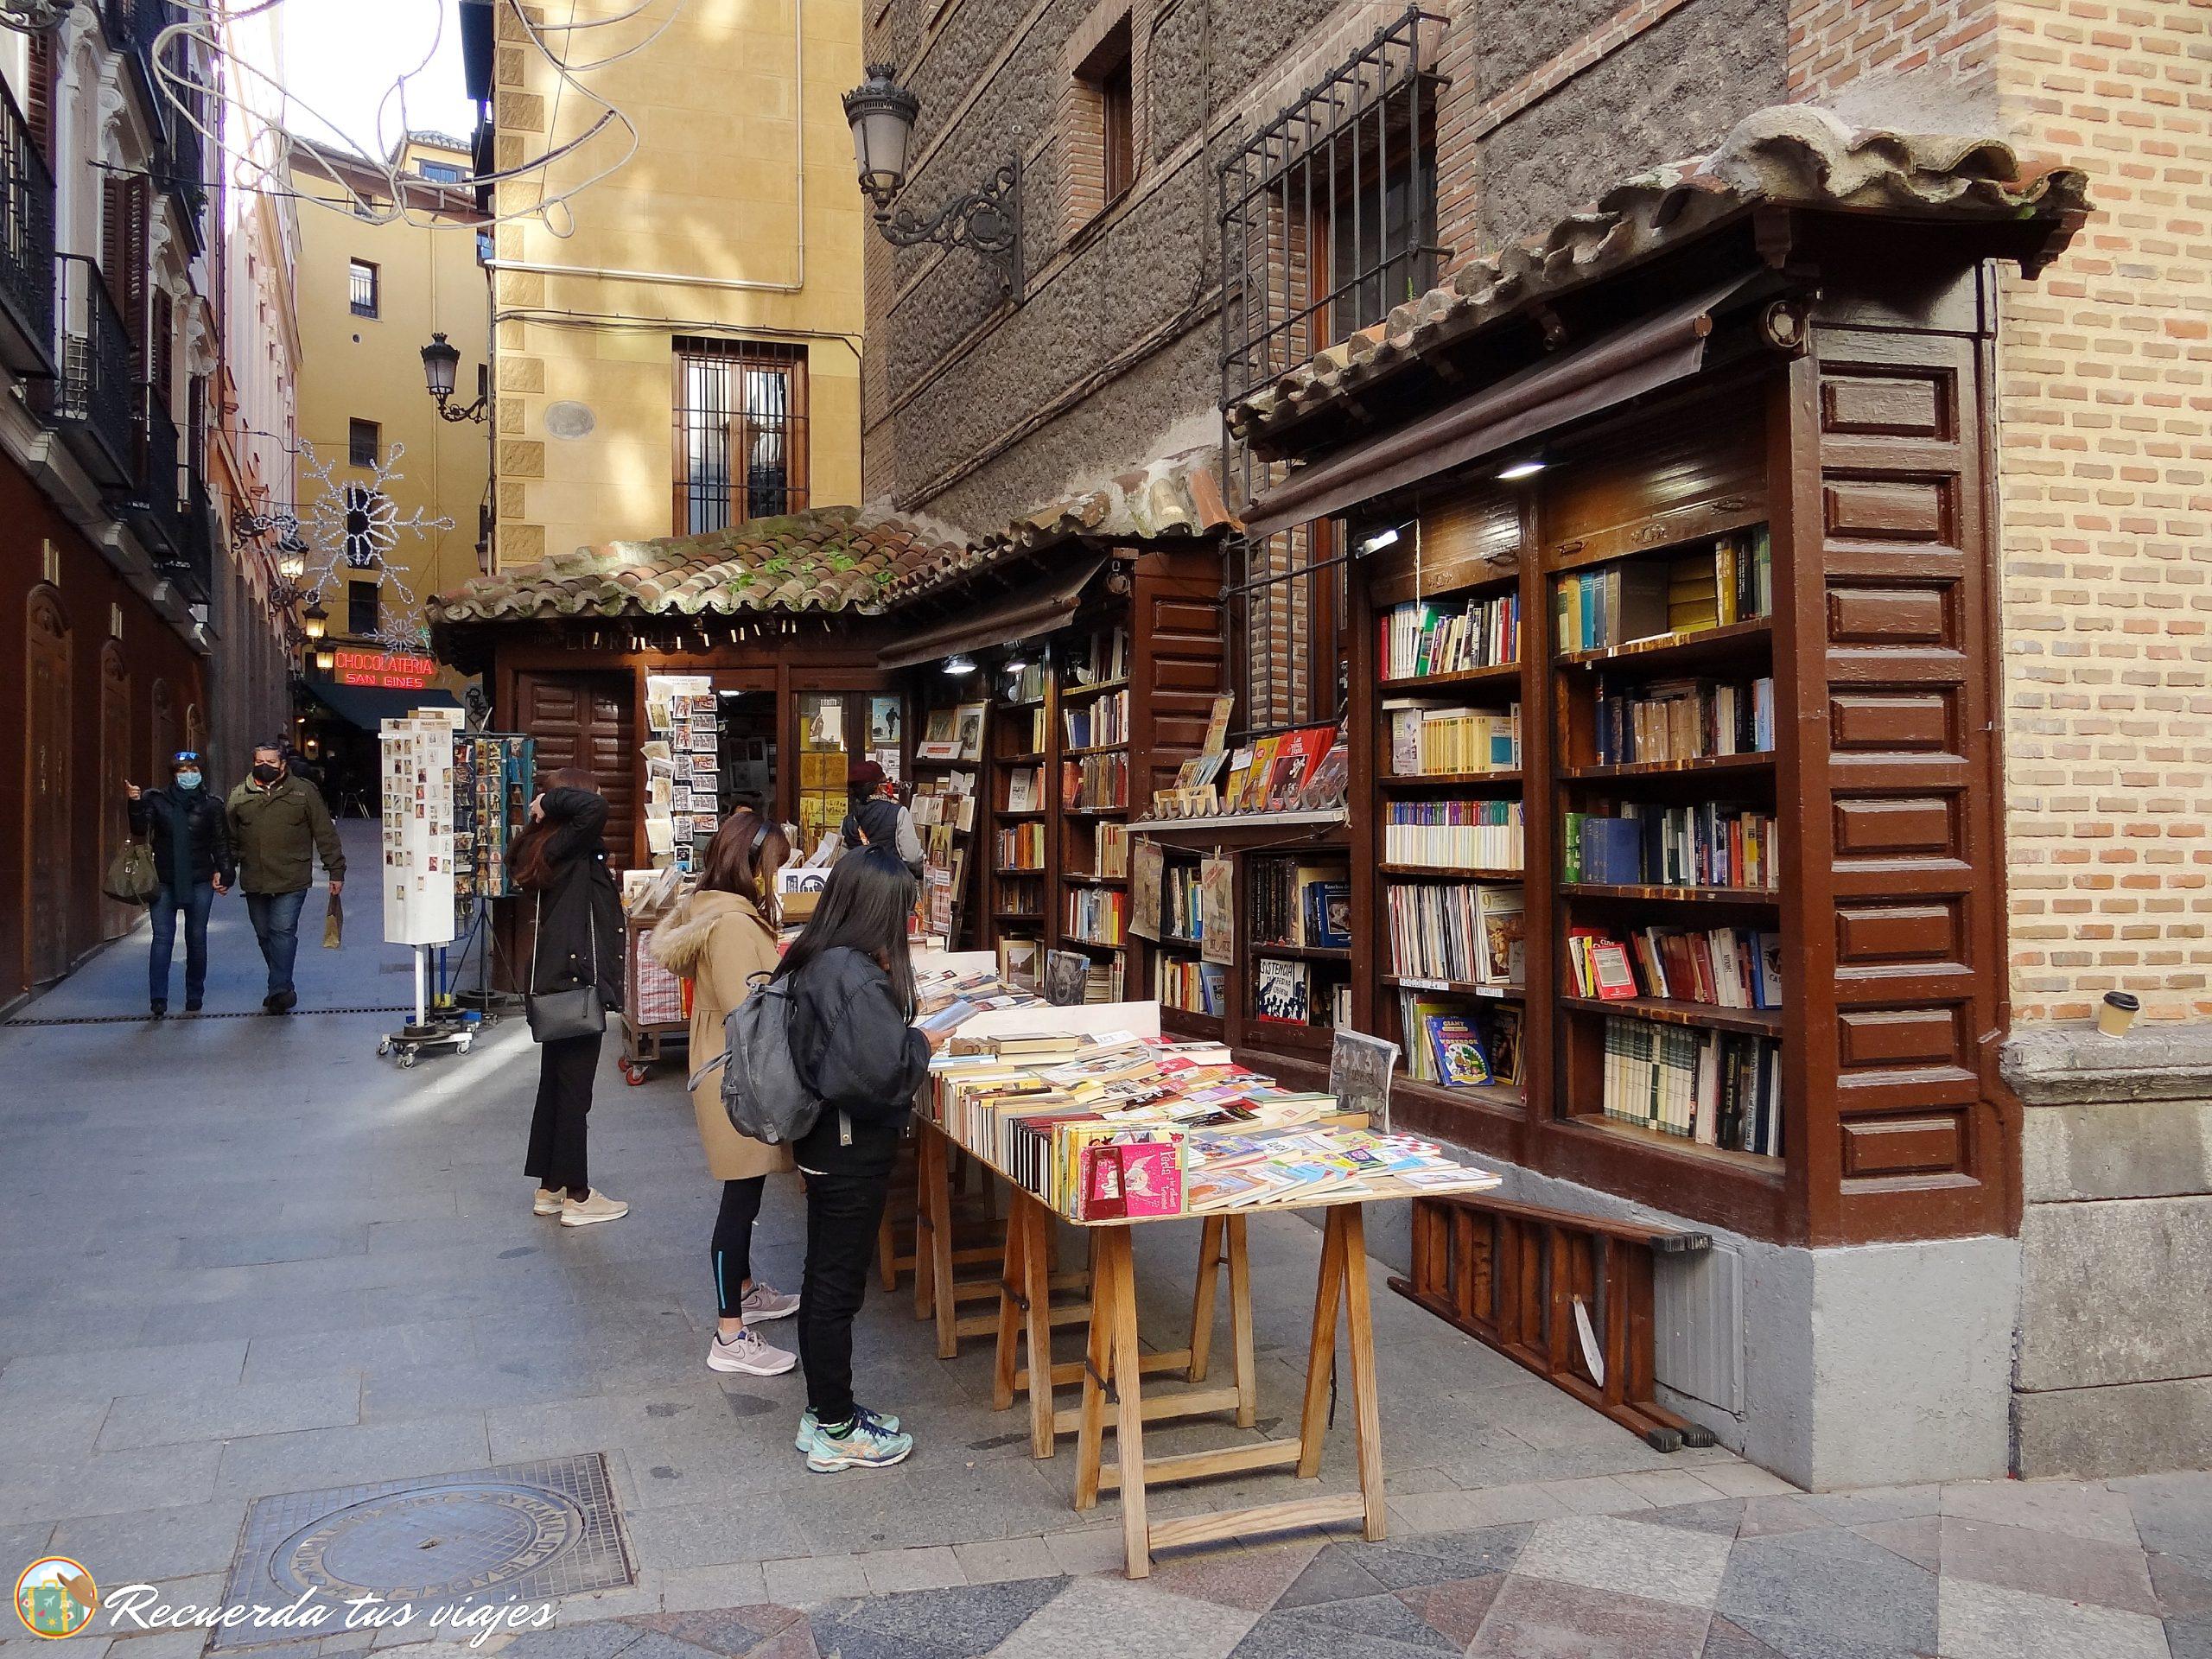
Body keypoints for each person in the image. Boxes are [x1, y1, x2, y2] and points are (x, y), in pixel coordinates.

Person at [776, 846, 946, 1471]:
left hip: (824, 1143)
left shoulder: (821, 959)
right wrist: (923, 1041)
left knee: (826, 1277)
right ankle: (836, 1426)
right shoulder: (853, 976)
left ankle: (825, 1410)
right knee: (836, 1286)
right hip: (848, 1148)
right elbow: (882, 1073)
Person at [648, 809, 801, 1376]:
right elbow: (753, 1007)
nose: (777, 879)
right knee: (739, 1199)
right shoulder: (734, 924)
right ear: (752, 865)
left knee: (748, 1190)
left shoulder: (710, 910)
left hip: (723, 1066)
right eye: (774, 867)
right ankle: (728, 1333)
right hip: (740, 1074)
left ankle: (744, 1292)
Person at [511, 770, 626, 1227]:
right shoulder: (563, 846)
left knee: (556, 1087)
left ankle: (550, 1186)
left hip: (556, 975)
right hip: (574, 980)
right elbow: (593, 810)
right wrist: (550, 801)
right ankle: (578, 1195)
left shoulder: (550, 848)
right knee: (575, 1092)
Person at [226, 741, 345, 1013]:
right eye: (259, 762)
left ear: (282, 764)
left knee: (282, 931)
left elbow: (325, 833)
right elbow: (230, 840)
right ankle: (282, 984)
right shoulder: (239, 796)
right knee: (264, 935)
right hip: (255, 878)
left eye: (270, 762)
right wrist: (224, 871)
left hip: (292, 877)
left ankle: (279, 990)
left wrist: (335, 870)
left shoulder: (304, 793)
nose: (264, 766)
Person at [125, 751, 234, 1017]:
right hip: (163, 879)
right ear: (173, 775)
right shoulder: (157, 800)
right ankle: (158, 998)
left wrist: (226, 872)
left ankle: (194, 994)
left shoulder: (212, 805)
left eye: (193, 770)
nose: (189, 775)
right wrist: (135, 803)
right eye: (182, 771)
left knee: (196, 937)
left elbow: (221, 842)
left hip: (199, 879)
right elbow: (140, 829)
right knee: (162, 938)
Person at [841, 760, 924, 879]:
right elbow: (913, 858)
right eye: (885, 781)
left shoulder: (848, 821)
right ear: (878, 787)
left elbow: (842, 859)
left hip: (859, 888)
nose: (888, 784)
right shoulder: (899, 813)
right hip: (892, 884)